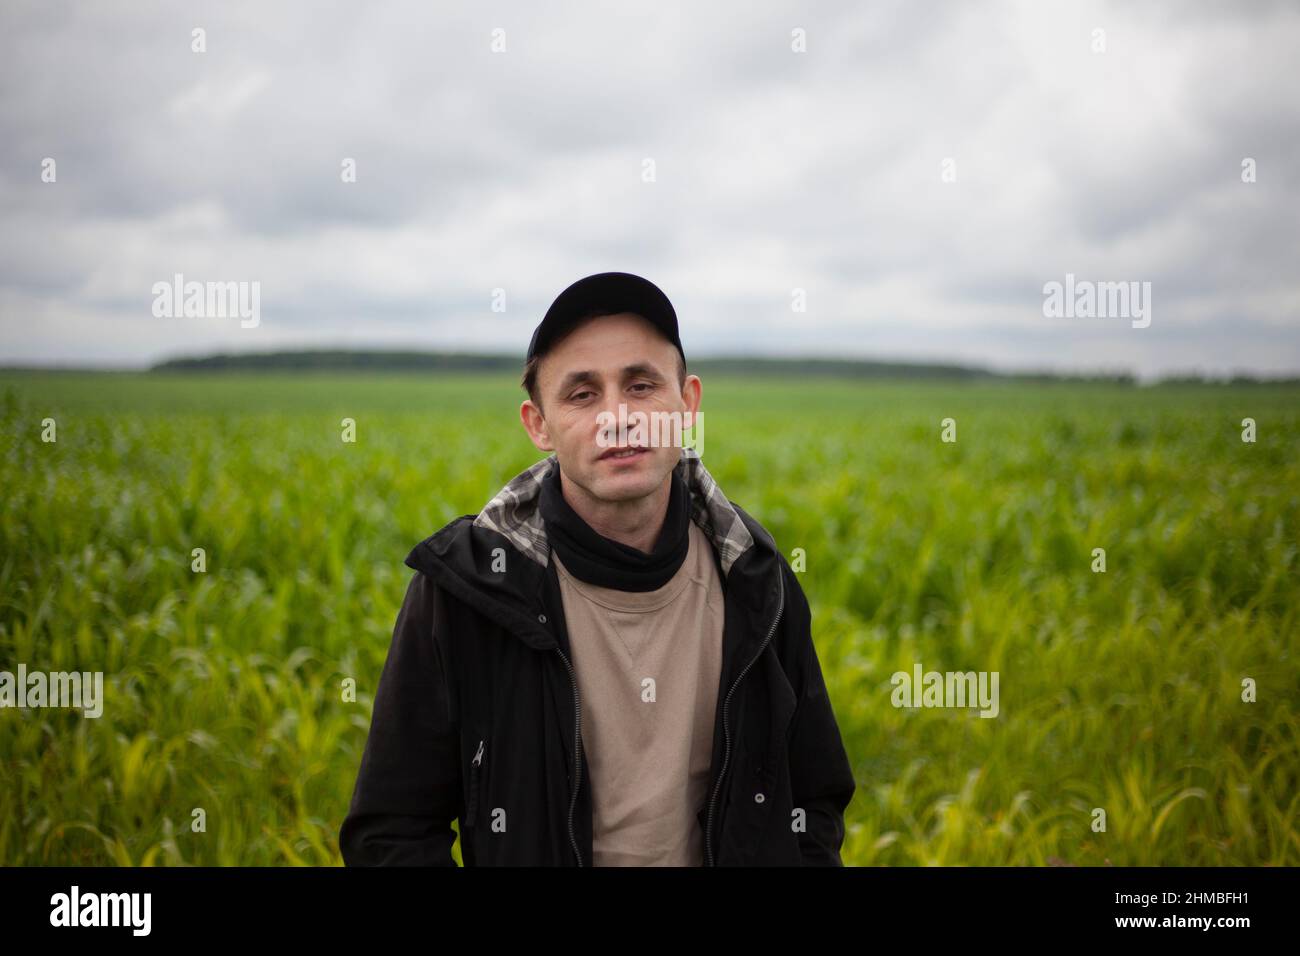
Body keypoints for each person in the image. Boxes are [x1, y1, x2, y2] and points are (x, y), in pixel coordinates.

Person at [339, 272, 855, 866]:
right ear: (538, 424)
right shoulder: (467, 589)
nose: (617, 416)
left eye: (641, 386)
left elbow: (813, 804)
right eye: (582, 394)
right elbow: (392, 834)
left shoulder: (756, 579)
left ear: (687, 404)